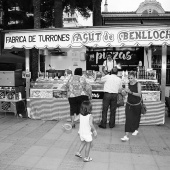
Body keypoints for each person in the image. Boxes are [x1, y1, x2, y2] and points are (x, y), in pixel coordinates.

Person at [121, 71, 142, 142]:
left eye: (131, 78)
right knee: (128, 119)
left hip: (137, 105)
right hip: (129, 104)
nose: (130, 79)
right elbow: (124, 94)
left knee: (136, 118)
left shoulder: (138, 84)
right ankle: (126, 135)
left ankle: (135, 129)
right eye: (129, 78)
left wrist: (131, 92)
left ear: (134, 77)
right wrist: (123, 92)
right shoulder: (127, 84)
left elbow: (139, 94)